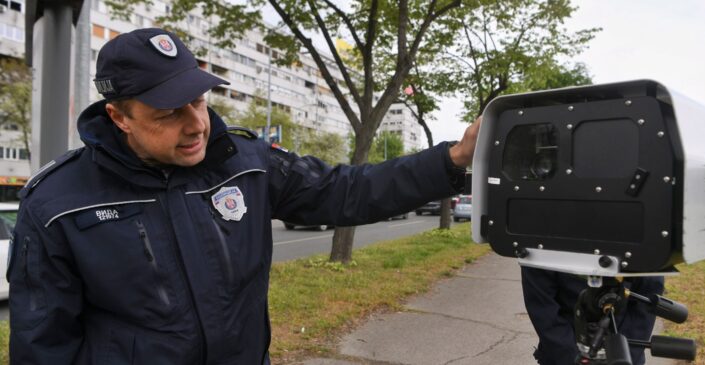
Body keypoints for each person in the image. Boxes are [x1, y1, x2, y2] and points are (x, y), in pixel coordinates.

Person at [8, 28, 479, 364]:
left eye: (198, 101)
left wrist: (454, 158)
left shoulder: (247, 161)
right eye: (169, 113)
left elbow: (349, 190)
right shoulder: (57, 204)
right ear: (119, 117)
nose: (196, 124)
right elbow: (43, 345)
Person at [521, 267, 665, 365]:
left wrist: (625, 356)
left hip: (623, 349)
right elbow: (542, 307)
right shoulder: (543, 231)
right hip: (562, 353)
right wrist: (571, 359)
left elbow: (647, 296)